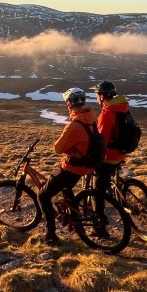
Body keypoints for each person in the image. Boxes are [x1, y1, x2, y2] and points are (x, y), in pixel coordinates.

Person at [39, 87, 99, 246]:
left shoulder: (74, 125)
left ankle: (50, 234)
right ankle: (75, 221)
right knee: (66, 188)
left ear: (69, 105)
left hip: (73, 167)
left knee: (43, 195)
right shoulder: (92, 118)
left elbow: (58, 149)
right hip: (88, 165)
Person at [93, 81, 131, 218]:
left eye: (97, 94)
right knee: (106, 178)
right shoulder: (122, 108)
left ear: (102, 96)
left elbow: (101, 140)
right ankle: (114, 191)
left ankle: (99, 225)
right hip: (122, 152)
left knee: (97, 188)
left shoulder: (107, 114)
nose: (96, 97)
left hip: (111, 156)